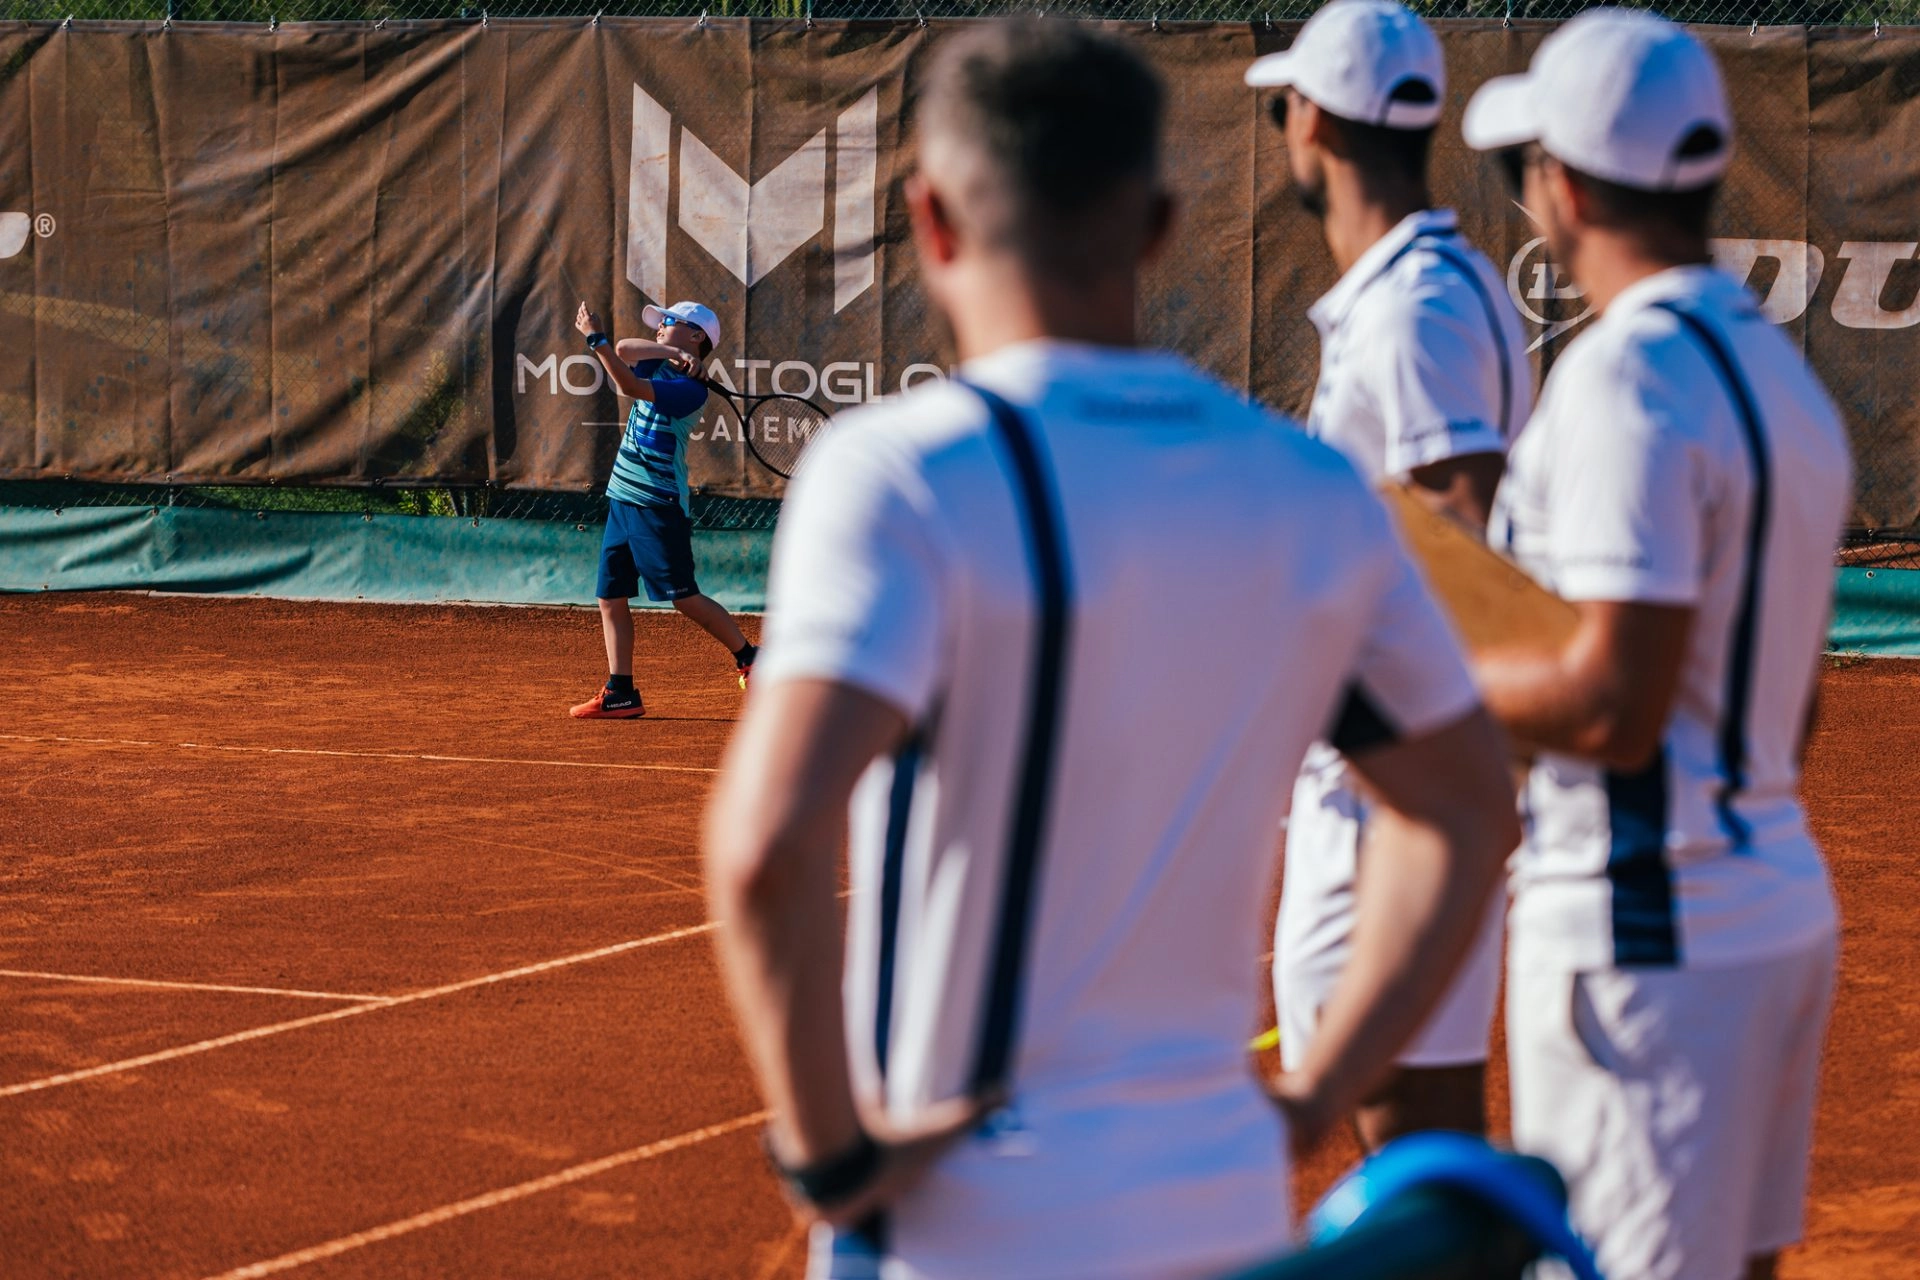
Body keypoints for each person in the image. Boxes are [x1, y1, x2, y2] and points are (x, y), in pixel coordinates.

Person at [702, 19, 1520, 1279]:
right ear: (1154, 224)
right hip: (1220, 1210)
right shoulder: (1309, 494)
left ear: (930, 220)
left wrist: (829, 1160)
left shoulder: (899, 474)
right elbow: (1467, 805)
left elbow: (765, 845)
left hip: (965, 1229)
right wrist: (1314, 1094)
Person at [1462, 12, 1852, 1279]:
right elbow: (1787, 713)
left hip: (1647, 944)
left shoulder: (1628, 377)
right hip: (1762, 911)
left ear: (1562, 186)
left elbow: (1612, 704)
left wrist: (1398, 677)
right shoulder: (1779, 379)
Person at [1245, 0, 1530, 1149]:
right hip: (1392, 777)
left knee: (1403, 1134)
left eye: (1281, 108)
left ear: (1311, 119)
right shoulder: (1421, 289)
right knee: (1420, 1137)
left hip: (1384, 791)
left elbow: (1461, 528)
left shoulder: (1416, 306)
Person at [568, 298, 757, 719]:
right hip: (622, 498)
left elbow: (630, 387)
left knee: (685, 598)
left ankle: (749, 657)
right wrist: (673, 351)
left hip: (657, 504)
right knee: (610, 596)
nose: (658, 327)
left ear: (697, 335)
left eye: (669, 322)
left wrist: (595, 337)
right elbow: (625, 353)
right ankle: (621, 691)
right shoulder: (663, 363)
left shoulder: (690, 390)